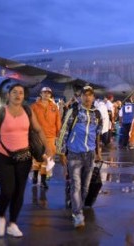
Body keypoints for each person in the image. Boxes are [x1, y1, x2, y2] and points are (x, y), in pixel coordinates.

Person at [0, 84, 52, 237]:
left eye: (21, 92)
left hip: (24, 157)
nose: (18, 95)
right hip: (3, 156)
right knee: (7, 190)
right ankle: (0, 217)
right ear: (8, 95)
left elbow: (38, 129)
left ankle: (13, 223)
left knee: (19, 192)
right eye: (14, 92)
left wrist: (48, 147)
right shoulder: (0, 112)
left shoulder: (28, 111)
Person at [57, 85, 103, 228]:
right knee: (76, 185)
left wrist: (98, 153)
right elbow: (64, 131)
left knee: (85, 187)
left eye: (90, 95)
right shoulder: (74, 111)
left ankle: (77, 207)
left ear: (93, 97)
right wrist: (61, 152)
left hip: (89, 154)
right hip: (74, 153)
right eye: (84, 95)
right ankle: (77, 214)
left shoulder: (97, 114)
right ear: (80, 97)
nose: (87, 97)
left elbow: (97, 134)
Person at [31, 87, 61, 189]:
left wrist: (58, 133)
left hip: (50, 136)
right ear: (41, 94)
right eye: (44, 92)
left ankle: (43, 180)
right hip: (38, 136)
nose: (47, 94)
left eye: (49, 93)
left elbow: (58, 121)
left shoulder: (54, 107)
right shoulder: (34, 106)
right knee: (37, 158)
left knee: (47, 158)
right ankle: (35, 175)